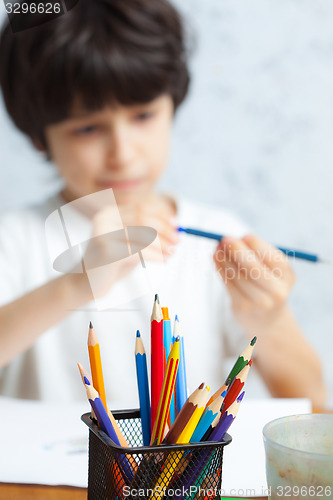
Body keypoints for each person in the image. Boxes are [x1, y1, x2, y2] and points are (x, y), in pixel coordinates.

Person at [0, 0, 326, 407]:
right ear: (38, 136)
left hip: (182, 473)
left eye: (143, 116)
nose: (123, 152)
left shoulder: (217, 239)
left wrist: (269, 320)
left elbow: (312, 404)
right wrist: (77, 283)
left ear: (172, 105)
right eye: (87, 128)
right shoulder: (14, 239)